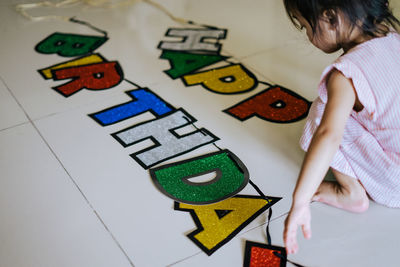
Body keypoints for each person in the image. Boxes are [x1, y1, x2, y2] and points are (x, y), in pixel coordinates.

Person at [282, 0, 400, 254]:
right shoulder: (395, 39)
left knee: (324, 108)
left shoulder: (346, 74)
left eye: (305, 27)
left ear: (330, 18)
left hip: (395, 183)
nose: (308, 37)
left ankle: (349, 192)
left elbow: (328, 135)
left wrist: (300, 201)